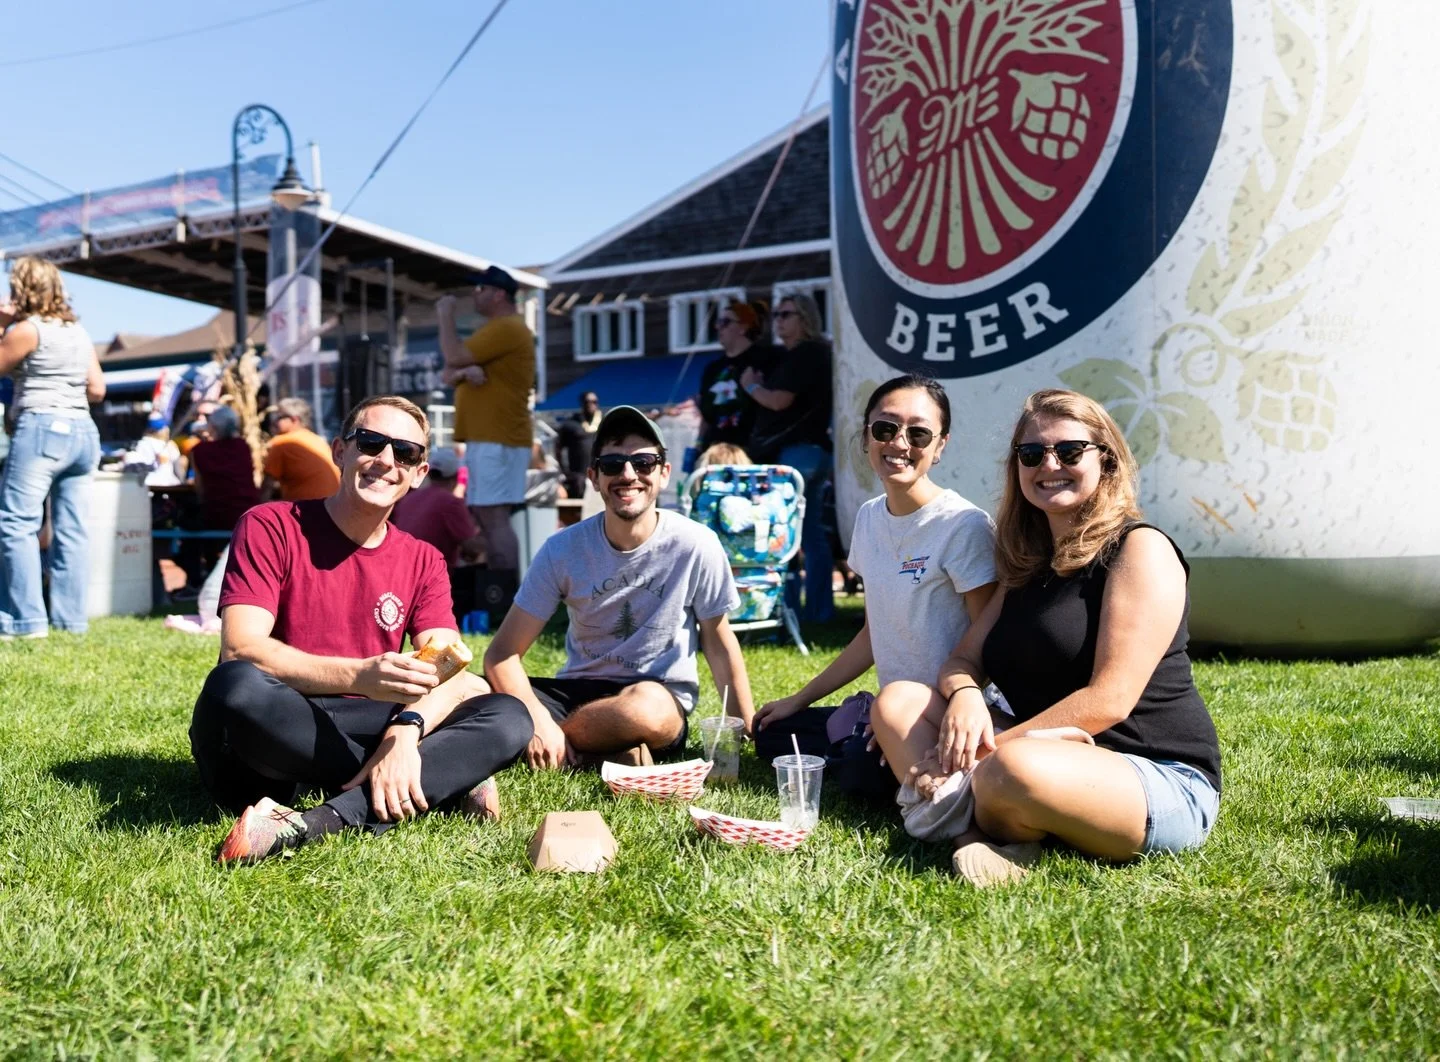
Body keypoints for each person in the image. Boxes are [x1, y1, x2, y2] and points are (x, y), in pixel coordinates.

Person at [872, 388, 1223, 887]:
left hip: (1154, 774)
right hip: (1041, 754)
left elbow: (1110, 700)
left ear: (1108, 461)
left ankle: (963, 807)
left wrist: (968, 755)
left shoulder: (1139, 549)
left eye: (1070, 451)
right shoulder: (1026, 567)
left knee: (1009, 770)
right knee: (899, 702)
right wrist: (968, 697)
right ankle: (970, 838)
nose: (1049, 464)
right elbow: (962, 660)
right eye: (1032, 454)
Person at [192, 395, 534, 865]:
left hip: (368, 723)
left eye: (406, 453)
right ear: (339, 451)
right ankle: (444, 780)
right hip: (274, 730)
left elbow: (450, 671)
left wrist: (406, 736)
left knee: (508, 715)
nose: (386, 461)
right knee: (235, 688)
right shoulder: (270, 524)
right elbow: (241, 650)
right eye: (371, 443)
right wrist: (359, 677)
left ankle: (313, 824)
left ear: (418, 473)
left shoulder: (423, 560)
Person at [753, 376, 997, 798]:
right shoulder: (868, 518)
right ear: (867, 436)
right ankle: (874, 736)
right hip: (890, 709)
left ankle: (912, 761)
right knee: (773, 735)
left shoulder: (965, 526)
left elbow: (991, 647)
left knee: (859, 779)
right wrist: (798, 699)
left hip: (949, 712)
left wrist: (941, 713)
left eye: (918, 433)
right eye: (885, 428)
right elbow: (873, 634)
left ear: (939, 447)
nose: (899, 443)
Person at [483, 405, 754, 769]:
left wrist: (746, 729)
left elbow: (719, 644)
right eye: (612, 464)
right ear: (594, 477)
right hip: (574, 694)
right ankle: (604, 751)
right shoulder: (561, 549)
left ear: (664, 474)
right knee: (468, 693)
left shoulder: (696, 544)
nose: (628, 474)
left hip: (654, 694)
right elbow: (502, 654)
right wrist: (540, 715)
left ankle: (549, 744)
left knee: (643, 712)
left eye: (643, 462)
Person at [0, 256, 105, 640]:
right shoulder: (78, 331)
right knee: (72, 530)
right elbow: (97, 389)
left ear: (21, 289)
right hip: (83, 432)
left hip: (42, 427)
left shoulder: (26, 330)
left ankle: (26, 622)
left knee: (16, 524)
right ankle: (71, 622)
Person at [740, 293, 834, 622]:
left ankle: (790, 610)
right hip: (815, 451)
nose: (778, 320)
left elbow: (779, 401)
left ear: (805, 318)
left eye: (787, 314)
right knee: (811, 535)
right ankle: (818, 613)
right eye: (777, 314)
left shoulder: (806, 353)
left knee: (785, 532)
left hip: (797, 453)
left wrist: (751, 387)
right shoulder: (812, 353)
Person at [436, 265, 535, 575]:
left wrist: (445, 315)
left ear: (498, 294)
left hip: (499, 437)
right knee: (485, 511)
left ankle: (507, 595)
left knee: (493, 515)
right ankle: (500, 592)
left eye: (480, 289)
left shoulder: (507, 327)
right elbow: (449, 372)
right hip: (492, 437)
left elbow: (452, 357)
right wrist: (465, 372)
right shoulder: (497, 329)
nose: (474, 295)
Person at [389, 447, 485, 568]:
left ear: (429, 474)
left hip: (400, 571)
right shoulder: (451, 503)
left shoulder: (408, 499)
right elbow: (473, 549)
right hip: (429, 577)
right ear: (455, 477)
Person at [697, 300, 773, 449]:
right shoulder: (712, 368)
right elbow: (706, 418)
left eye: (725, 322)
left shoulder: (766, 360)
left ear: (743, 327)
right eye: (718, 322)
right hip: (715, 448)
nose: (718, 327)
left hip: (751, 447)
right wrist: (698, 444)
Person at [189, 406, 260, 532]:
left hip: (216, 515)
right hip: (248, 514)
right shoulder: (242, 446)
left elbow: (200, 488)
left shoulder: (200, 450)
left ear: (213, 427)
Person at [261, 397, 339, 502]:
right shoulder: (317, 439)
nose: (274, 421)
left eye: (279, 417)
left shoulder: (282, 442)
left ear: (294, 419)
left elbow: (267, 486)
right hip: (332, 505)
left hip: (305, 510)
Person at [555, 391, 601, 499]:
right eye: (587, 402)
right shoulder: (570, 424)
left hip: (599, 473)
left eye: (594, 402)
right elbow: (558, 448)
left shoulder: (604, 423)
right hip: (578, 476)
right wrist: (565, 471)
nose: (591, 404)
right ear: (582, 403)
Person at [123, 413, 183, 486]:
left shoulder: (140, 443)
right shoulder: (168, 445)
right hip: (166, 485)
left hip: (144, 484)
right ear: (162, 429)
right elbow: (179, 468)